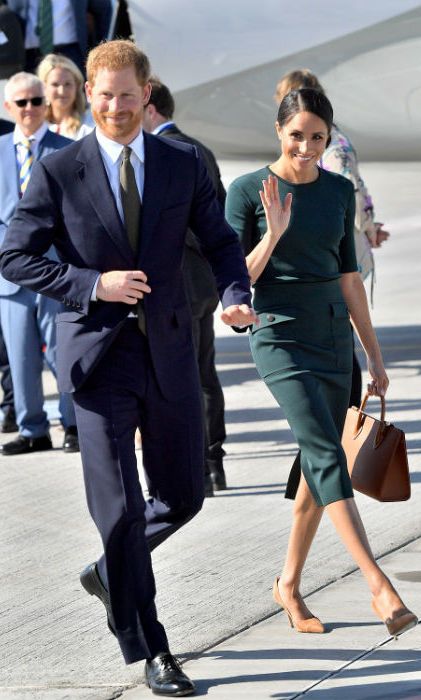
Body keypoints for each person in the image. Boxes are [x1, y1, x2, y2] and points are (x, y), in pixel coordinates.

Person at [0, 40, 255, 696]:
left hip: (168, 354)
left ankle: (112, 574)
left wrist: (233, 295)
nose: (114, 106)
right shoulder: (60, 171)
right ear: (89, 94)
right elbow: (15, 257)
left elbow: (220, 241)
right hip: (96, 361)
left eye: (126, 94)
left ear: (147, 94)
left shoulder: (180, 163)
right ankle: (152, 648)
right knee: (117, 515)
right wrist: (92, 284)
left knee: (185, 497)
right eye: (103, 94)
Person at [225, 88, 417, 640]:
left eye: (317, 136)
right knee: (326, 452)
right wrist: (274, 233)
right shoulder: (246, 191)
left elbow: (349, 277)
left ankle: (287, 583)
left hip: (334, 339)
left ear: (329, 136)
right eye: (296, 136)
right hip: (280, 338)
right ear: (278, 133)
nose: (306, 147)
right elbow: (236, 280)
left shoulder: (336, 191)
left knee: (318, 461)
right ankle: (379, 585)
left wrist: (374, 357)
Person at [274, 69, 390, 407]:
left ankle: (344, 401)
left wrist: (367, 227)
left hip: (337, 246)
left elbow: (348, 192)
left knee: (339, 327)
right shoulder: (333, 139)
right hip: (331, 244)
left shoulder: (332, 147)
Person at [143, 78, 227, 494]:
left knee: (183, 377)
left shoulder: (167, 154)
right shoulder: (202, 149)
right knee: (205, 371)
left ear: (151, 110)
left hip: (178, 282)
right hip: (204, 283)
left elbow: (193, 222)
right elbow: (222, 218)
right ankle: (214, 460)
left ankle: (197, 465)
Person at [0, 71, 79, 454]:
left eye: (36, 101)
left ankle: (74, 425)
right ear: (8, 107)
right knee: (19, 354)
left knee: (64, 351)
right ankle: (32, 429)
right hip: (9, 275)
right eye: (22, 102)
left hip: (55, 271)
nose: (30, 109)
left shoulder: (67, 149)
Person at [7, 0, 112, 74]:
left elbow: (103, 10)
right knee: (32, 101)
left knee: (73, 100)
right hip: (27, 56)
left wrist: (99, 49)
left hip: (71, 52)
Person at [37, 53, 92, 139]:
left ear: (77, 86)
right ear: (44, 88)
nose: (62, 91)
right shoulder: (36, 124)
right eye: (55, 84)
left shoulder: (90, 122)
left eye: (68, 84)